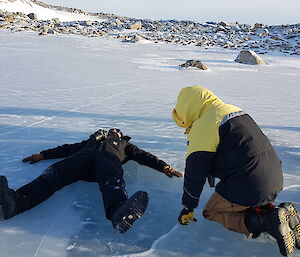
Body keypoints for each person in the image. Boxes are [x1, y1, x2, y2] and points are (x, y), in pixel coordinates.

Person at [172, 85, 299, 257]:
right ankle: (278, 214)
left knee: (212, 211)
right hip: (274, 177)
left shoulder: (204, 125)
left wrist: (188, 206)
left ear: (186, 108)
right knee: (241, 187)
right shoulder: (233, 111)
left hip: (250, 183)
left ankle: (265, 221)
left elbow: (195, 174)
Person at [0, 128, 182, 233]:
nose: (113, 131)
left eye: (117, 130)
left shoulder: (125, 145)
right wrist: (43, 155)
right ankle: (17, 203)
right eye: (111, 129)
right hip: (82, 161)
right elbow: (68, 148)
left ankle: (118, 210)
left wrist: (163, 166)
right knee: (54, 173)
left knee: (111, 176)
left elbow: (144, 156)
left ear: (121, 135)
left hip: (105, 164)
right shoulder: (91, 141)